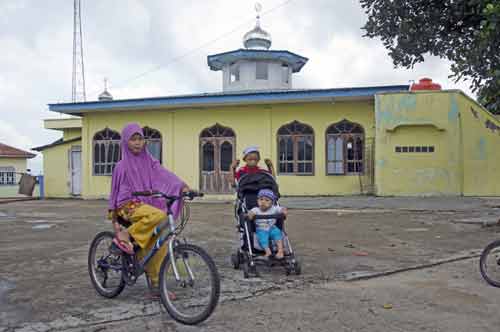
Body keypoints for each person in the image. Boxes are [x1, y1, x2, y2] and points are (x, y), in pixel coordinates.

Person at [108, 123, 190, 298]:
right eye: (133, 139)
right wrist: (114, 217)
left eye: (140, 139)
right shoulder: (121, 166)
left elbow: (164, 174)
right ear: (125, 142)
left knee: (159, 242)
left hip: (145, 205)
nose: (138, 143)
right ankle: (126, 235)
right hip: (127, 205)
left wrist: (181, 186)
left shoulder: (150, 161)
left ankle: (155, 287)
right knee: (158, 215)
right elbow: (116, 192)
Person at [246, 189, 287, 259]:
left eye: (267, 200)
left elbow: (281, 209)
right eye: (261, 199)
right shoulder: (256, 210)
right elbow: (251, 213)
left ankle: (280, 251)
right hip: (261, 229)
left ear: (272, 203)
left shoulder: (274, 208)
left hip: (272, 227)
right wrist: (250, 214)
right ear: (257, 201)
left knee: (278, 233)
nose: (263, 202)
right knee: (262, 239)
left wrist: (283, 210)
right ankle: (268, 252)